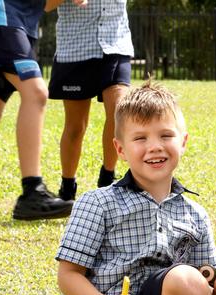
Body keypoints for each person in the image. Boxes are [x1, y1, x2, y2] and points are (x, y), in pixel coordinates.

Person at [55, 81, 216, 295]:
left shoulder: (195, 215)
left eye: (165, 135)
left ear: (183, 141)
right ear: (120, 149)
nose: (155, 146)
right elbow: (68, 275)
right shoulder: (97, 203)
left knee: (188, 278)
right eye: (140, 138)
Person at [0, 0, 81, 220]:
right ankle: (32, 191)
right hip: (2, 18)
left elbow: (46, 4)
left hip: (18, 23)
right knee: (35, 92)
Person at [48, 0, 134, 201]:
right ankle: (67, 190)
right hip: (76, 49)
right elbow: (43, 6)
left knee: (120, 112)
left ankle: (108, 181)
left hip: (115, 46)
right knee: (76, 126)